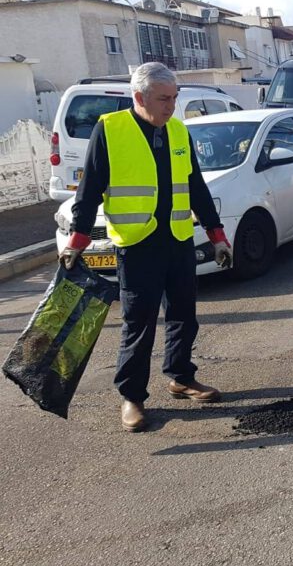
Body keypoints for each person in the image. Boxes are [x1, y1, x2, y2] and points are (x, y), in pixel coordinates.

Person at [59, 62, 231, 432]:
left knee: (184, 314)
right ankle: (132, 397)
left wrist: (217, 235)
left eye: (175, 98)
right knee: (139, 324)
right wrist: (77, 239)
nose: (171, 106)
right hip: (137, 245)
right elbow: (89, 192)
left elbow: (196, 187)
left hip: (178, 240)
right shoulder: (111, 130)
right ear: (139, 97)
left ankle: (181, 377)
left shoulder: (178, 131)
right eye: (163, 99)